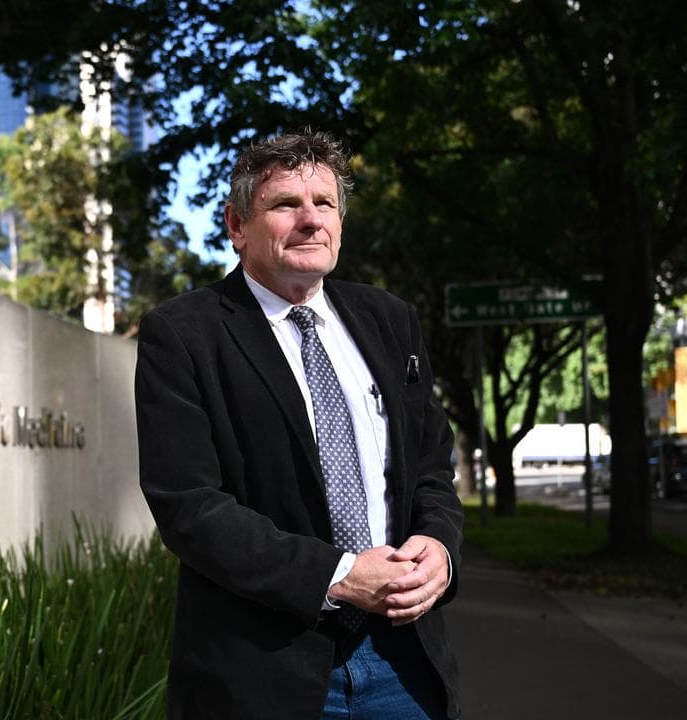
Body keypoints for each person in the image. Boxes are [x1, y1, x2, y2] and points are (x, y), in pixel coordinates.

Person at [134, 131, 462, 719]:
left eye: (325, 203)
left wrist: (440, 546)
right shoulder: (183, 334)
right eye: (286, 204)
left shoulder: (391, 321)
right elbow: (189, 506)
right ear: (237, 225)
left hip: (404, 664)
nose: (311, 220)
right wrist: (338, 576)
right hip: (265, 673)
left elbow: (431, 463)